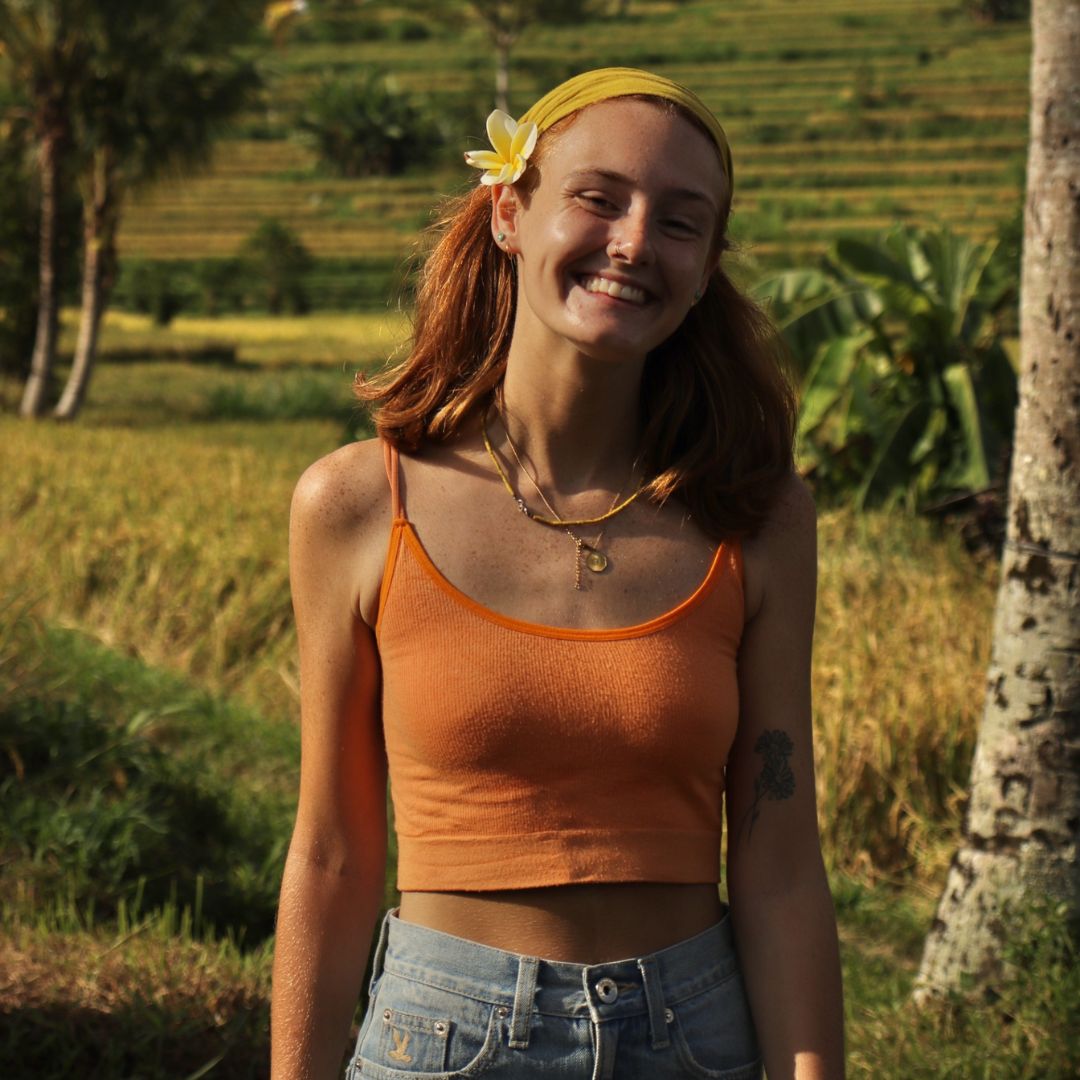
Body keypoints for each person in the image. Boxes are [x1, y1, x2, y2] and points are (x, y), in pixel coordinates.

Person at [271, 68, 844, 1080]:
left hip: (694, 1038)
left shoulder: (757, 519)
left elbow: (782, 863)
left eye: (680, 222)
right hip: (443, 1037)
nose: (633, 242)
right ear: (509, 214)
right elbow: (331, 854)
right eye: (598, 198)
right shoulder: (357, 506)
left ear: (706, 269)